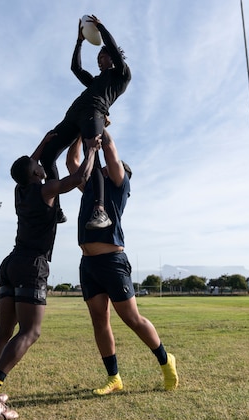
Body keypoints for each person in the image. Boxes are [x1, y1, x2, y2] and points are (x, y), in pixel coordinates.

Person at [0, 132, 101, 420]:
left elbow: (27, 165)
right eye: (37, 165)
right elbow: (79, 178)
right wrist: (91, 149)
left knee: (3, 332)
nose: (41, 164)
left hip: (11, 262)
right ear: (35, 173)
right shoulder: (46, 190)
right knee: (31, 331)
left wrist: (44, 141)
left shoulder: (19, 191)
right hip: (32, 264)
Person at [66, 130, 179, 395]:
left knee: (131, 318)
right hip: (88, 264)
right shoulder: (93, 188)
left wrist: (97, 125)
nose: (102, 171)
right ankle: (114, 377)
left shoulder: (119, 185)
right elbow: (73, 163)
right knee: (99, 321)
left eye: (107, 169)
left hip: (112, 261)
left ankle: (165, 360)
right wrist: (78, 133)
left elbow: (110, 150)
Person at [39, 14, 131, 230]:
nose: (99, 60)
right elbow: (76, 69)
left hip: (95, 112)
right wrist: (79, 41)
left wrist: (101, 28)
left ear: (112, 57)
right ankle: (56, 209)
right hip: (73, 115)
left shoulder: (121, 75)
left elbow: (116, 52)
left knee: (93, 157)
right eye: (98, 57)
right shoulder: (95, 82)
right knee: (47, 155)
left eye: (103, 56)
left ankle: (100, 211)